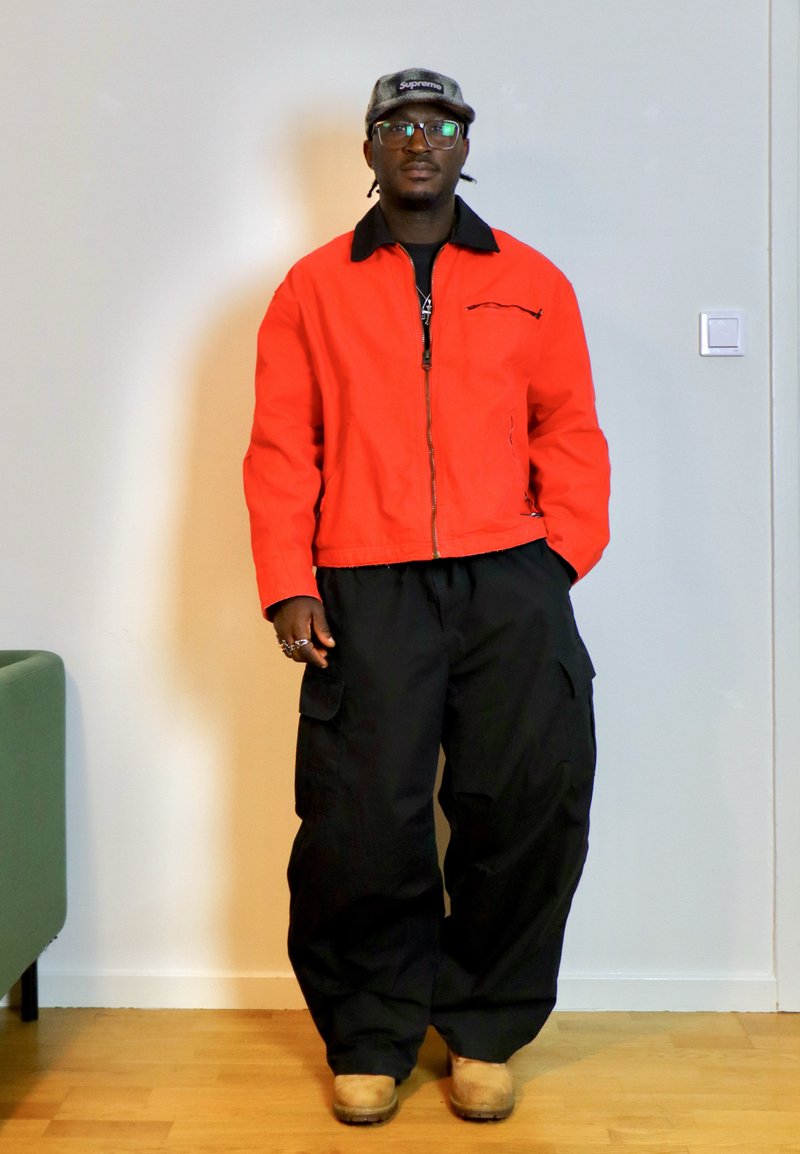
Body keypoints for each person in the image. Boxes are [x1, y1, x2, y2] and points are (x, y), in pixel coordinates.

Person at [244, 67, 610, 1125]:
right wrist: (287, 583)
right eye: (396, 125)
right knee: (363, 819)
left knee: (523, 800)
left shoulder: (531, 281)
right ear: (367, 150)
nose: (418, 140)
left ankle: (485, 1025)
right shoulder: (310, 289)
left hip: (509, 575)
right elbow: (281, 448)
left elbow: (568, 429)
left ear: (463, 144)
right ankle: (368, 1031)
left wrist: (556, 557)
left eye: (439, 124)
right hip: (364, 578)